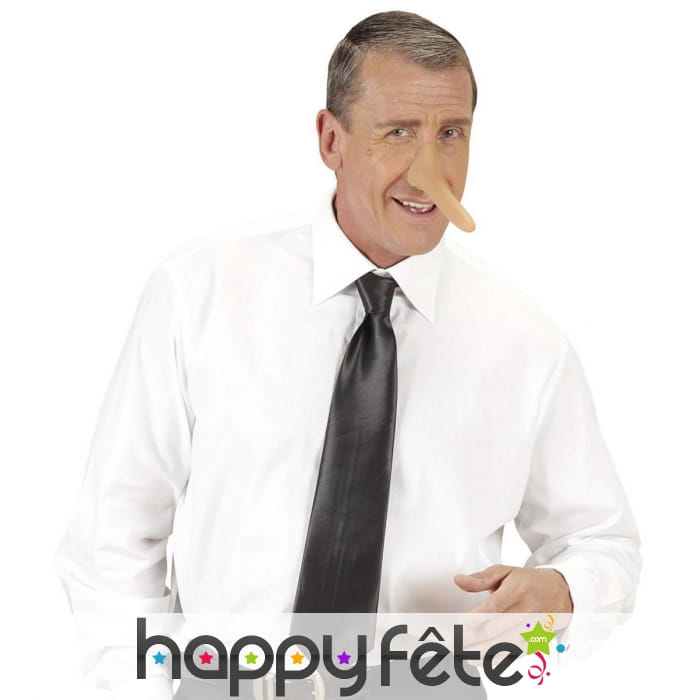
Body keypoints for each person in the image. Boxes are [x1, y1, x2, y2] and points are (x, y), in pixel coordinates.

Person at [57, 10, 641, 700]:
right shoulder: (201, 293)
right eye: (399, 133)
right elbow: (115, 536)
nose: (430, 172)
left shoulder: (527, 344)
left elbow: (604, 546)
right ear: (331, 140)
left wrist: (563, 596)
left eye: (451, 134)